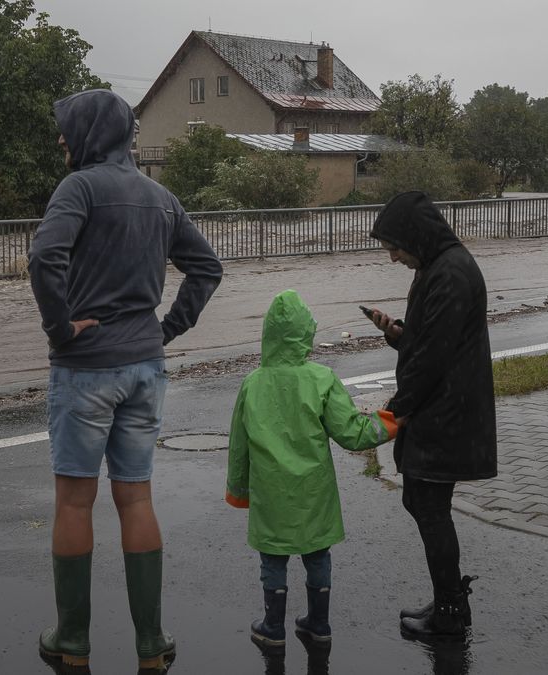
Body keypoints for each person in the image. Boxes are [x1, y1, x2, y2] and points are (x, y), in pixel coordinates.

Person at [29, 88, 223, 673]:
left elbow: (44, 260)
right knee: (135, 495)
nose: (62, 138)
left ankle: (72, 639)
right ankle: (150, 641)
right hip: (145, 369)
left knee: (74, 501)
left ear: (91, 131)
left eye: (67, 128)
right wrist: (164, 331)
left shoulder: (79, 188)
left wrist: (61, 330)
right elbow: (207, 268)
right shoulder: (162, 197)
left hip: (86, 368)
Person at [226, 289, 399, 651]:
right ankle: (318, 623)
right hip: (313, 490)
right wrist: (390, 422)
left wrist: (238, 491)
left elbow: (239, 446)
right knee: (317, 554)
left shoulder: (252, 384)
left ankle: (273, 627)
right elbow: (352, 433)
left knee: (273, 558)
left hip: (271, 491)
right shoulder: (321, 379)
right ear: (306, 333)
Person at [364, 191, 497, 638]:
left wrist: (393, 412)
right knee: (421, 502)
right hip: (442, 408)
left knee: (429, 506)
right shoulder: (436, 267)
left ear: (415, 235)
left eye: (394, 244)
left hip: (448, 412)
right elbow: (429, 342)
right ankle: (449, 602)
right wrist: (398, 333)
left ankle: (451, 613)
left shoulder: (451, 274)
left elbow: (434, 359)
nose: (392, 254)